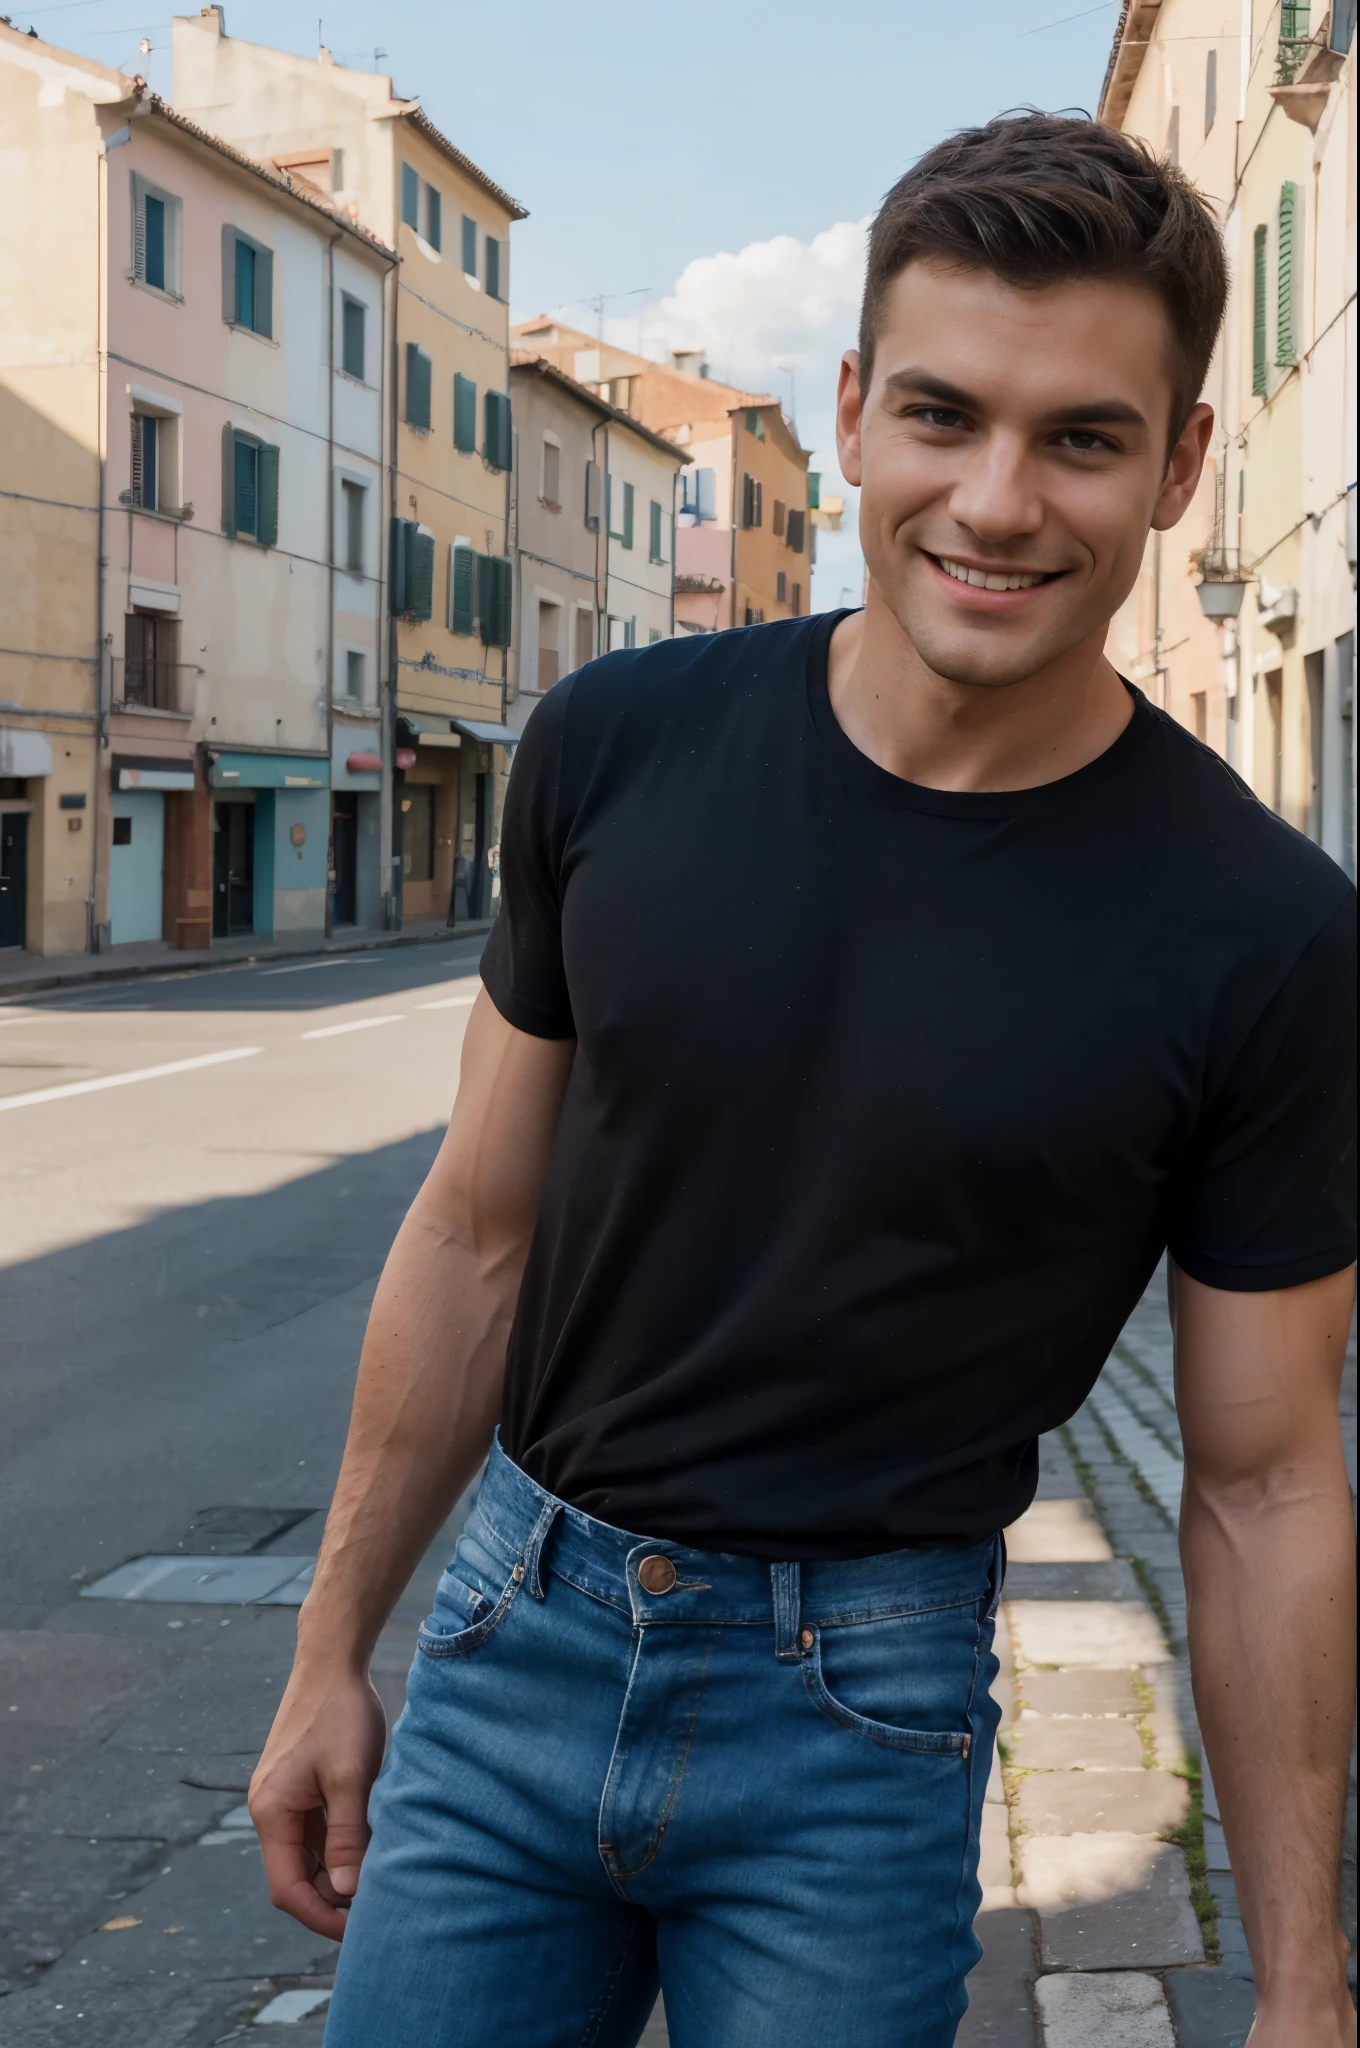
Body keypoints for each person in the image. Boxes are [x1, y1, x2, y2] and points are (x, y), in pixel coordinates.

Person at [250, 113, 1357, 2048]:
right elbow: (477, 1231)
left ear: (1183, 465)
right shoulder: (613, 746)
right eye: (943, 414)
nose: (996, 501)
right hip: (514, 1642)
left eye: (1082, 437)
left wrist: (1303, 1982)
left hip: (864, 1707)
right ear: (850, 413)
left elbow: (1263, 1485)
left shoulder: (1265, 934)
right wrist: (329, 1646)